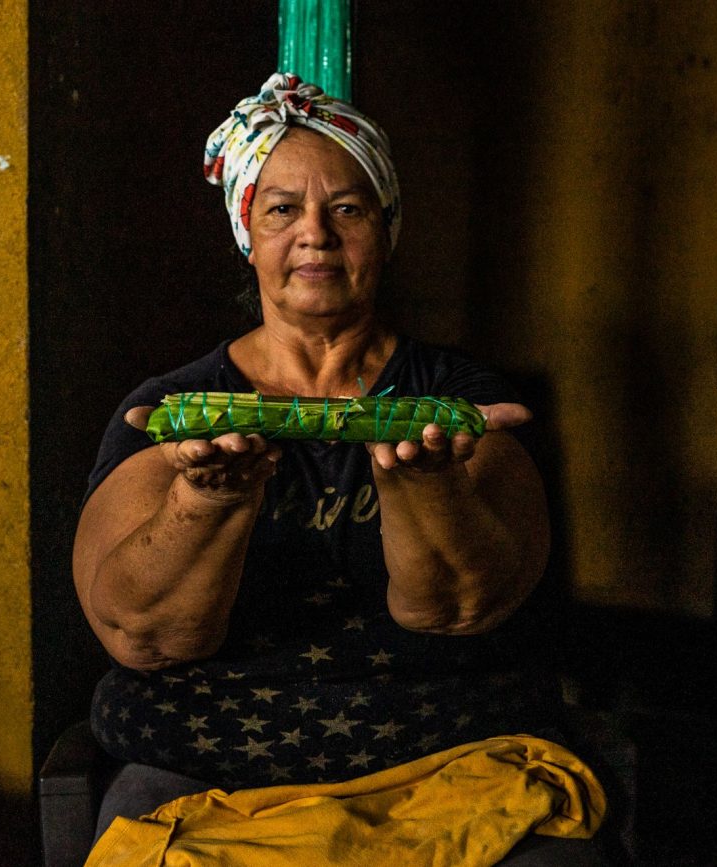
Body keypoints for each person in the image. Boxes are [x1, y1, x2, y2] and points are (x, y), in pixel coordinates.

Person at [72, 73, 608, 864]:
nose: (315, 234)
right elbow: (144, 635)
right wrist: (203, 500)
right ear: (246, 230)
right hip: (212, 771)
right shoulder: (173, 409)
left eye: (348, 208)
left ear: (386, 229)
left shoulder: (456, 401)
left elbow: (458, 608)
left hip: (451, 764)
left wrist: (425, 485)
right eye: (283, 208)